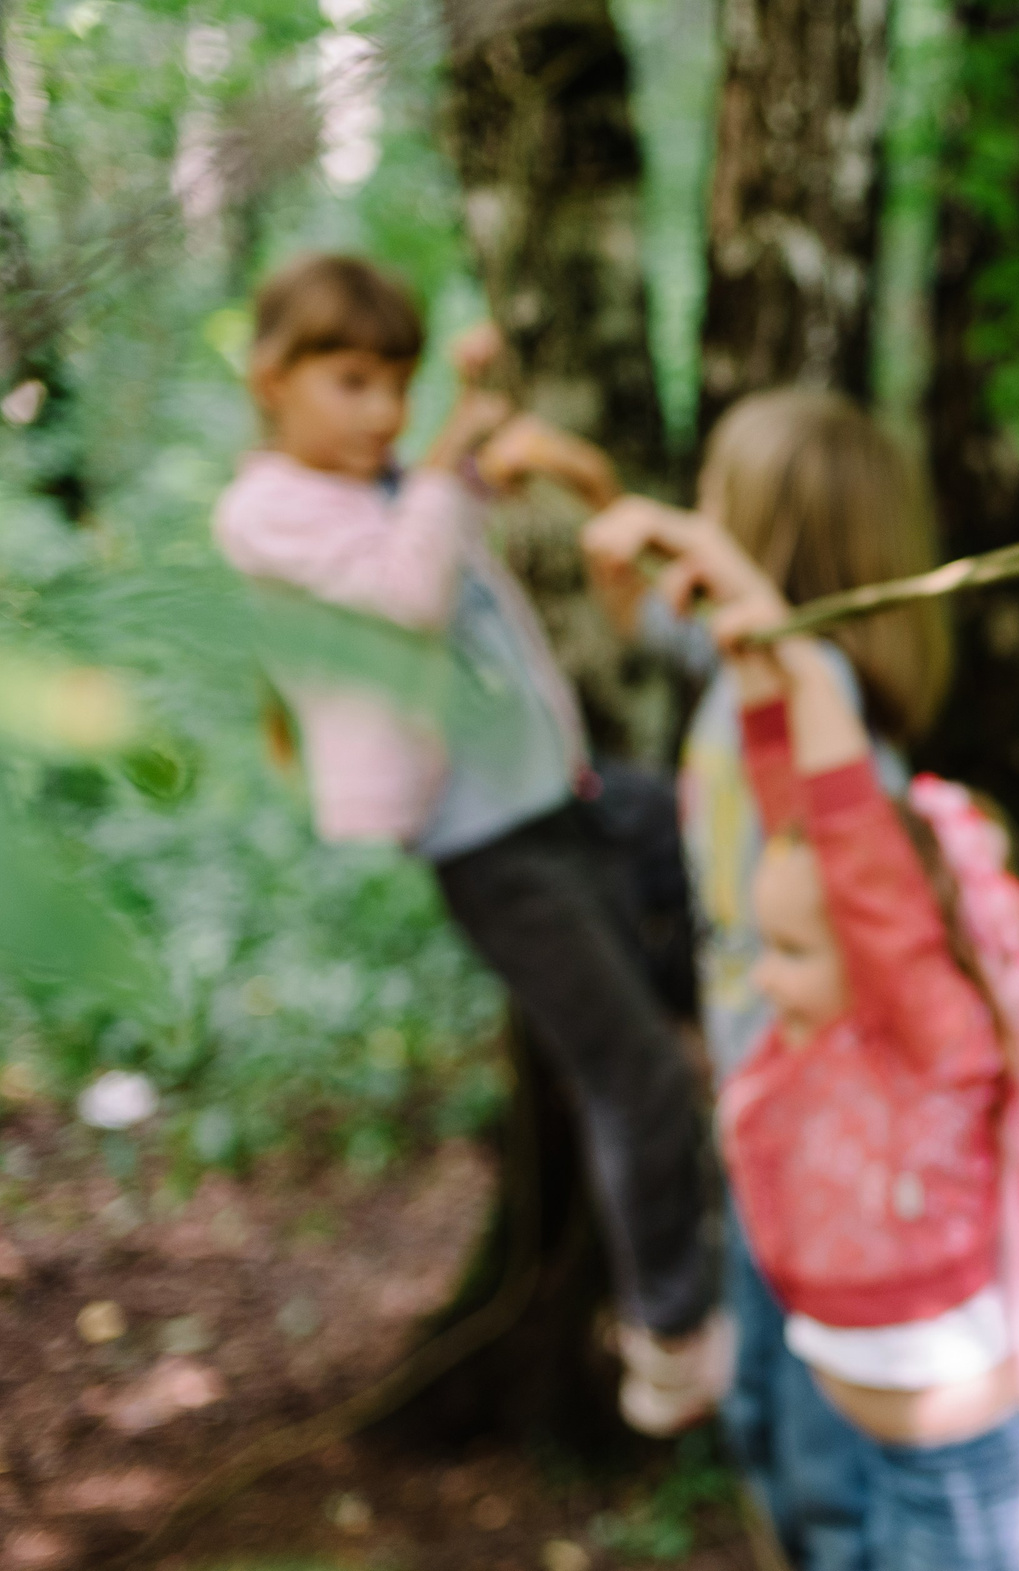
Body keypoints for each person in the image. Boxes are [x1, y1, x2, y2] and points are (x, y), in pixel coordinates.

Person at [209, 253, 728, 1436]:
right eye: (350, 381)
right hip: (485, 843)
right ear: (273, 380)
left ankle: (744, 1061)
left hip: (568, 799)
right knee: (634, 1073)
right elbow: (406, 592)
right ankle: (671, 1335)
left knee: (685, 832)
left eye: (396, 382)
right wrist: (450, 450)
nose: (383, 410)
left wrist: (496, 430)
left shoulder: (398, 477)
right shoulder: (266, 511)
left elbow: (471, 506)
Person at [641, 534, 1019, 1571]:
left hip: (952, 1466)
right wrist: (760, 679)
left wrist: (801, 662)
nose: (767, 973)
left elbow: (856, 854)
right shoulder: (831, 1028)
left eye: (793, 950)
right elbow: (797, 815)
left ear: (878, 941)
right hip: (883, 1442)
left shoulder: (927, 1039)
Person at [580, 395, 948, 1571]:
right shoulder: (740, 669)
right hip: (759, 1112)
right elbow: (649, 615)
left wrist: (672, 533)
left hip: (823, 1133)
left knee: (819, 1415)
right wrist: (574, 473)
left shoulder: (812, 688)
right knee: (760, 1405)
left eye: (718, 506)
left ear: (756, 531)